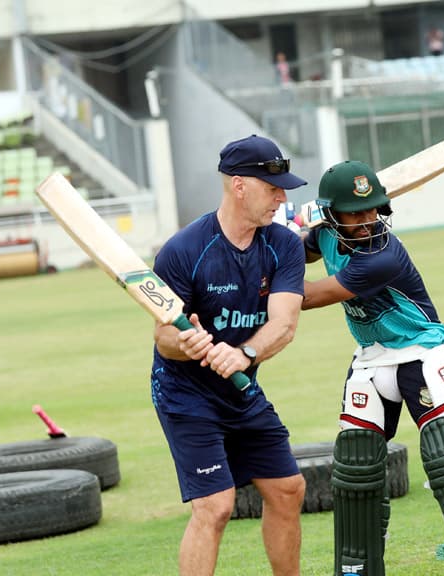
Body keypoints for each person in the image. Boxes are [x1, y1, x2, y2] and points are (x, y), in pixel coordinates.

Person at [300, 160, 444, 576]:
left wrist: (257, 274)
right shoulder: (324, 235)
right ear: (331, 215)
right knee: (356, 470)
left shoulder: (383, 256)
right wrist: (263, 243)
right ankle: (356, 570)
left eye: (373, 210)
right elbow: (295, 250)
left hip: (421, 354)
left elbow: (307, 296)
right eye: (356, 213)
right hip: (370, 358)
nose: (367, 221)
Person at [151, 134, 309, 576]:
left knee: (288, 488)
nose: (282, 197)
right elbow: (163, 335)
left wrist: (245, 355)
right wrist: (185, 343)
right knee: (216, 506)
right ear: (239, 186)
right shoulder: (184, 250)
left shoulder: (283, 245)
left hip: (241, 390)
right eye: (272, 187)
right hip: (186, 396)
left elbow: (284, 324)